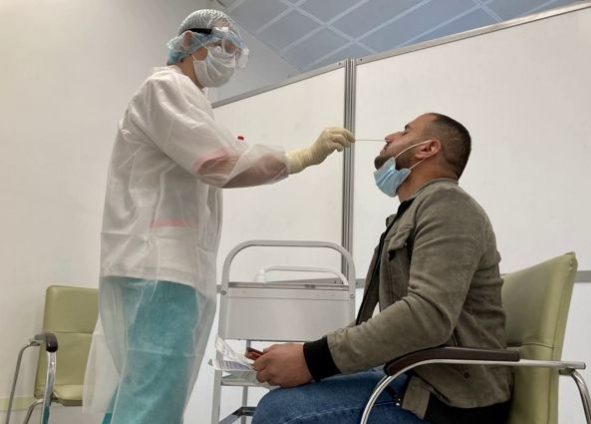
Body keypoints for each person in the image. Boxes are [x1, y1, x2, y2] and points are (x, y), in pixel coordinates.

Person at [82, 9, 354, 424]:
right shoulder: (167, 87)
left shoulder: (190, 100)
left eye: (234, 51)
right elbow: (218, 162)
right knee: (153, 396)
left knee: (140, 389)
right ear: (190, 43)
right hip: (160, 266)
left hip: (160, 265)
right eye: (222, 46)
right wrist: (300, 157)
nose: (228, 57)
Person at [249, 113, 513, 424]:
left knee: (280, 413)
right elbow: (389, 321)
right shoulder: (414, 213)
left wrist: (312, 360)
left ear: (427, 148)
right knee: (287, 399)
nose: (389, 136)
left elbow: (426, 317)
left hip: (450, 402)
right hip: (412, 377)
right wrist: (307, 354)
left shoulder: (448, 205)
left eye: (404, 131)